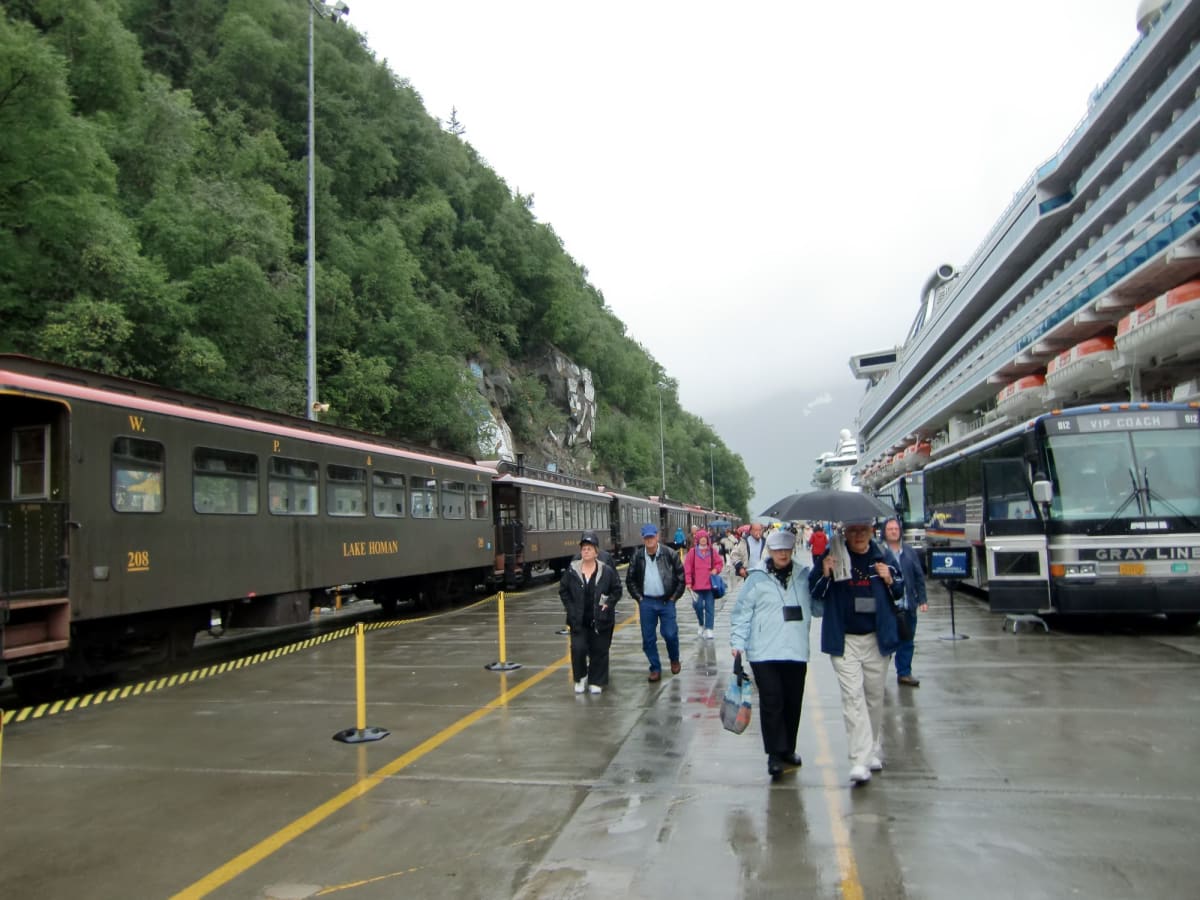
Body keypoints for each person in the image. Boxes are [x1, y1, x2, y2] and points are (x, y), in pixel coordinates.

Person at [809, 521, 904, 785]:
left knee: (874, 697)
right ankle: (859, 760)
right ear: (845, 534)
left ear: (871, 533)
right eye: (853, 531)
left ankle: (872, 748)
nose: (859, 536)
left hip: (876, 638)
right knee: (853, 698)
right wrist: (825, 573)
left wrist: (889, 578)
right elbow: (815, 592)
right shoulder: (833, 556)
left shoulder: (882, 556)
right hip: (845, 640)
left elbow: (900, 590)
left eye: (863, 531)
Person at [730, 529, 815, 780]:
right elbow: (742, 612)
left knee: (792, 701)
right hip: (764, 651)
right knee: (772, 700)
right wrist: (738, 643)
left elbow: (819, 606)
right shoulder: (757, 578)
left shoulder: (804, 576)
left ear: (792, 551)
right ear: (770, 552)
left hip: (795, 649)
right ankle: (774, 755)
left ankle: (788, 748)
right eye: (778, 551)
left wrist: (826, 577)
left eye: (786, 551)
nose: (782, 555)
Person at [559, 531, 623, 695]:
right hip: (578, 620)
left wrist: (606, 604)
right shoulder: (573, 570)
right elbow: (563, 590)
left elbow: (616, 590)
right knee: (578, 649)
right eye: (583, 548)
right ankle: (580, 677)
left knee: (599, 650)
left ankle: (597, 680)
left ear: (596, 551)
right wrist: (570, 608)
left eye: (589, 548)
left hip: (601, 619)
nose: (586, 551)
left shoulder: (606, 571)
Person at [626, 523, 687, 681]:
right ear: (643, 539)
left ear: (657, 537)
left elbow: (681, 578)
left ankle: (674, 659)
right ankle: (655, 668)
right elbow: (630, 580)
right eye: (646, 538)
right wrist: (639, 598)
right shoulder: (637, 556)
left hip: (667, 601)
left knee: (670, 633)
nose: (649, 540)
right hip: (646, 602)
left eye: (652, 537)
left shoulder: (670, 554)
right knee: (648, 638)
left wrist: (674, 597)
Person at [882, 517, 928, 687]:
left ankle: (904, 673)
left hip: (908, 605)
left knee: (907, 641)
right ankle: (879, 676)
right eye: (890, 529)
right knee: (886, 642)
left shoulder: (909, 552)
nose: (894, 531)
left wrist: (922, 599)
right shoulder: (879, 552)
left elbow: (918, 577)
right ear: (884, 532)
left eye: (896, 528)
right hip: (888, 607)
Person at [684, 529, 724, 639]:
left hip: (709, 585)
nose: (703, 540)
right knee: (698, 606)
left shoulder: (712, 551)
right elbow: (687, 568)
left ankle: (709, 629)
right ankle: (701, 623)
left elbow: (719, 563)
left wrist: (716, 570)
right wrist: (688, 582)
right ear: (697, 540)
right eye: (701, 538)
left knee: (710, 607)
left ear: (707, 539)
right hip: (696, 586)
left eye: (705, 538)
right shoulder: (692, 552)